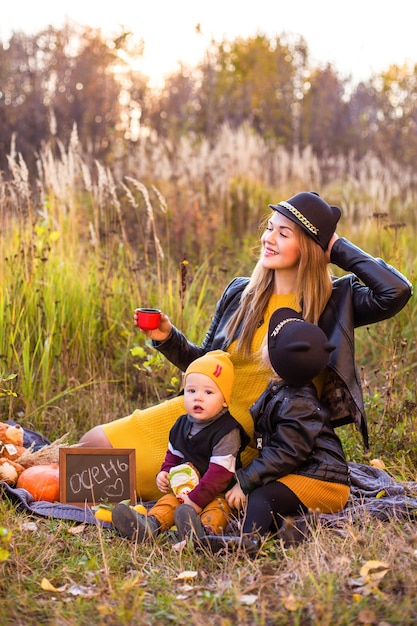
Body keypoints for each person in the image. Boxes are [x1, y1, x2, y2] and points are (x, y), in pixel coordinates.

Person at [79, 191, 413, 502]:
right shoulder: (242, 292)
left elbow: (396, 291)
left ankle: (84, 489)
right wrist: (168, 338)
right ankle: (59, 479)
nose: (269, 238)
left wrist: (336, 246)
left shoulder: (334, 301)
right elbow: (206, 366)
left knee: (97, 478)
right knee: (92, 444)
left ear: (312, 246)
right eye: (270, 228)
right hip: (205, 410)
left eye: (284, 233)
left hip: (249, 432)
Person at [224, 307, 350, 545]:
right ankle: (295, 528)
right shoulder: (283, 390)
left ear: (275, 358)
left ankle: (248, 541)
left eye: (267, 343)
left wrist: (245, 480)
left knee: (261, 497)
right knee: (265, 495)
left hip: (324, 482)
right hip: (306, 474)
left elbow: (287, 452)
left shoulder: (298, 403)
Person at [111, 350, 249, 542]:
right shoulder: (181, 425)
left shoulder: (227, 432)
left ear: (225, 400)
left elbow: (220, 474)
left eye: (208, 392)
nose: (198, 398)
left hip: (219, 491)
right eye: (192, 391)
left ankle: (204, 533)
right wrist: (164, 472)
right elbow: (173, 455)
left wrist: (196, 500)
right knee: (168, 501)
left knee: (218, 509)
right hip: (186, 489)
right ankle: (149, 525)